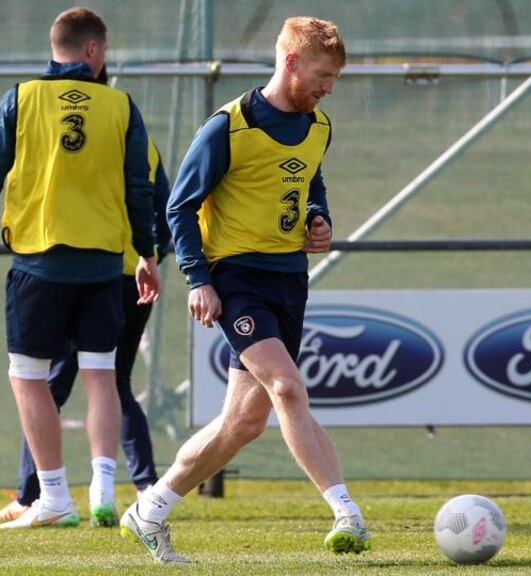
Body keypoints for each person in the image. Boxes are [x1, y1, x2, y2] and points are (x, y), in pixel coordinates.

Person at [119, 16, 370, 564]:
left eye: (334, 79)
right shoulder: (229, 127)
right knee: (286, 388)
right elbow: (180, 207)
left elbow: (309, 181)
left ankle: (151, 509)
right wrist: (199, 280)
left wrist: (319, 218)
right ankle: (347, 512)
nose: (328, 88)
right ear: (291, 63)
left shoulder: (318, 126)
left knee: (243, 423)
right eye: (322, 76)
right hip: (236, 277)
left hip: (288, 280)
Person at [0, 7, 159, 529]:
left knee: (28, 377)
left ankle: (55, 497)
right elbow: (139, 189)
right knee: (102, 376)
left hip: (39, 263)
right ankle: (104, 485)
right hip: (105, 264)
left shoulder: (22, 98)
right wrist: (146, 255)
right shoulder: (121, 107)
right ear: (93, 51)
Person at [0, 139, 171, 526]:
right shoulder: (146, 146)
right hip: (137, 273)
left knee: (44, 384)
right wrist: (153, 254)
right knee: (114, 381)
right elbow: (163, 206)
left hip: (91, 271)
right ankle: (143, 488)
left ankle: (34, 493)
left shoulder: (75, 136)